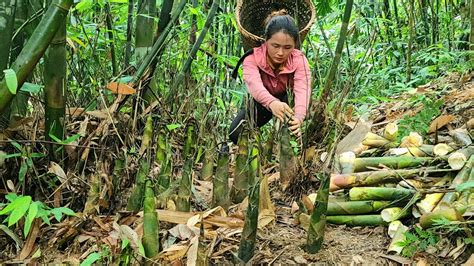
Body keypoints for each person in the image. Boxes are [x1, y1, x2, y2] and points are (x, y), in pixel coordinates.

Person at [229, 9, 311, 144]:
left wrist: (299, 116)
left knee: (293, 132)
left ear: (295, 45)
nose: (280, 52)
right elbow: (255, 87)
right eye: (275, 46)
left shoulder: (300, 60)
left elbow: (303, 90)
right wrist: (272, 103)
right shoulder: (252, 58)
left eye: (287, 47)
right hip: (262, 102)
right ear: (266, 41)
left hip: (289, 101)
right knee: (235, 133)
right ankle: (257, 152)